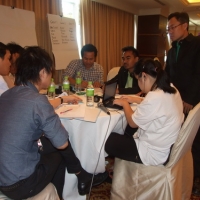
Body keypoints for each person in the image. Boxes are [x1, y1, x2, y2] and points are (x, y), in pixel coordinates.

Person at [0, 46, 108, 200]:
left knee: (48, 144)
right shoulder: (38, 101)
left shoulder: (6, 95)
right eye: (50, 71)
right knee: (59, 152)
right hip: (19, 184)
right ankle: (72, 185)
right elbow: (62, 143)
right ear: (43, 72)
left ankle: (82, 177)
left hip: (3, 175)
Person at [105, 58, 184, 166]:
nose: (139, 84)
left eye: (138, 79)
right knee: (125, 130)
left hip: (153, 152)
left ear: (144, 76)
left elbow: (133, 123)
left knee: (108, 140)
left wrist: (125, 104)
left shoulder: (154, 97)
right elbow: (160, 105)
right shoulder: (171, 88)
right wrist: (136, 99)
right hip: (166, 143)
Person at [165, 12, 200, 196]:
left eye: (172, 27)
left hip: (191, 102)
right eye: (168, 29)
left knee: (193, 143)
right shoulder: (171, 51)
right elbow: (168, 76)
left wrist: (190, 100)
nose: (169, 31)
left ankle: (193, 178)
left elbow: (198, 75)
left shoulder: (197, 45)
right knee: (177, 140)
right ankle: (178, 172)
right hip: (175, 102)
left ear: (185, 26)